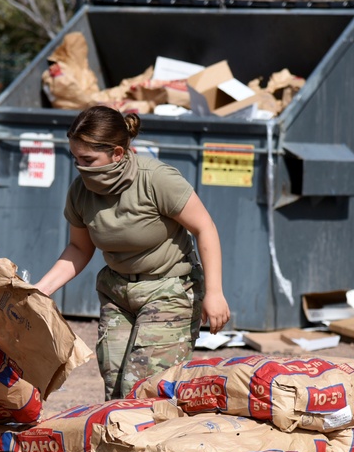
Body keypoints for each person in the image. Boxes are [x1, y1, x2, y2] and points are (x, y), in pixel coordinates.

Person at [36, 105, 231, 400]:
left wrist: (215, 293)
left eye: (88, 159)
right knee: (116, 390)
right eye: (75, 159)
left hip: (169, 289)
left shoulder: (155, 179)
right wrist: (39, 291)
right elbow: (79, 247)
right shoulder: (80, 192)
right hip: (118, 292)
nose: (80, 167)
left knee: (143, 391)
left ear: (117, 153)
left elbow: (206, 228)